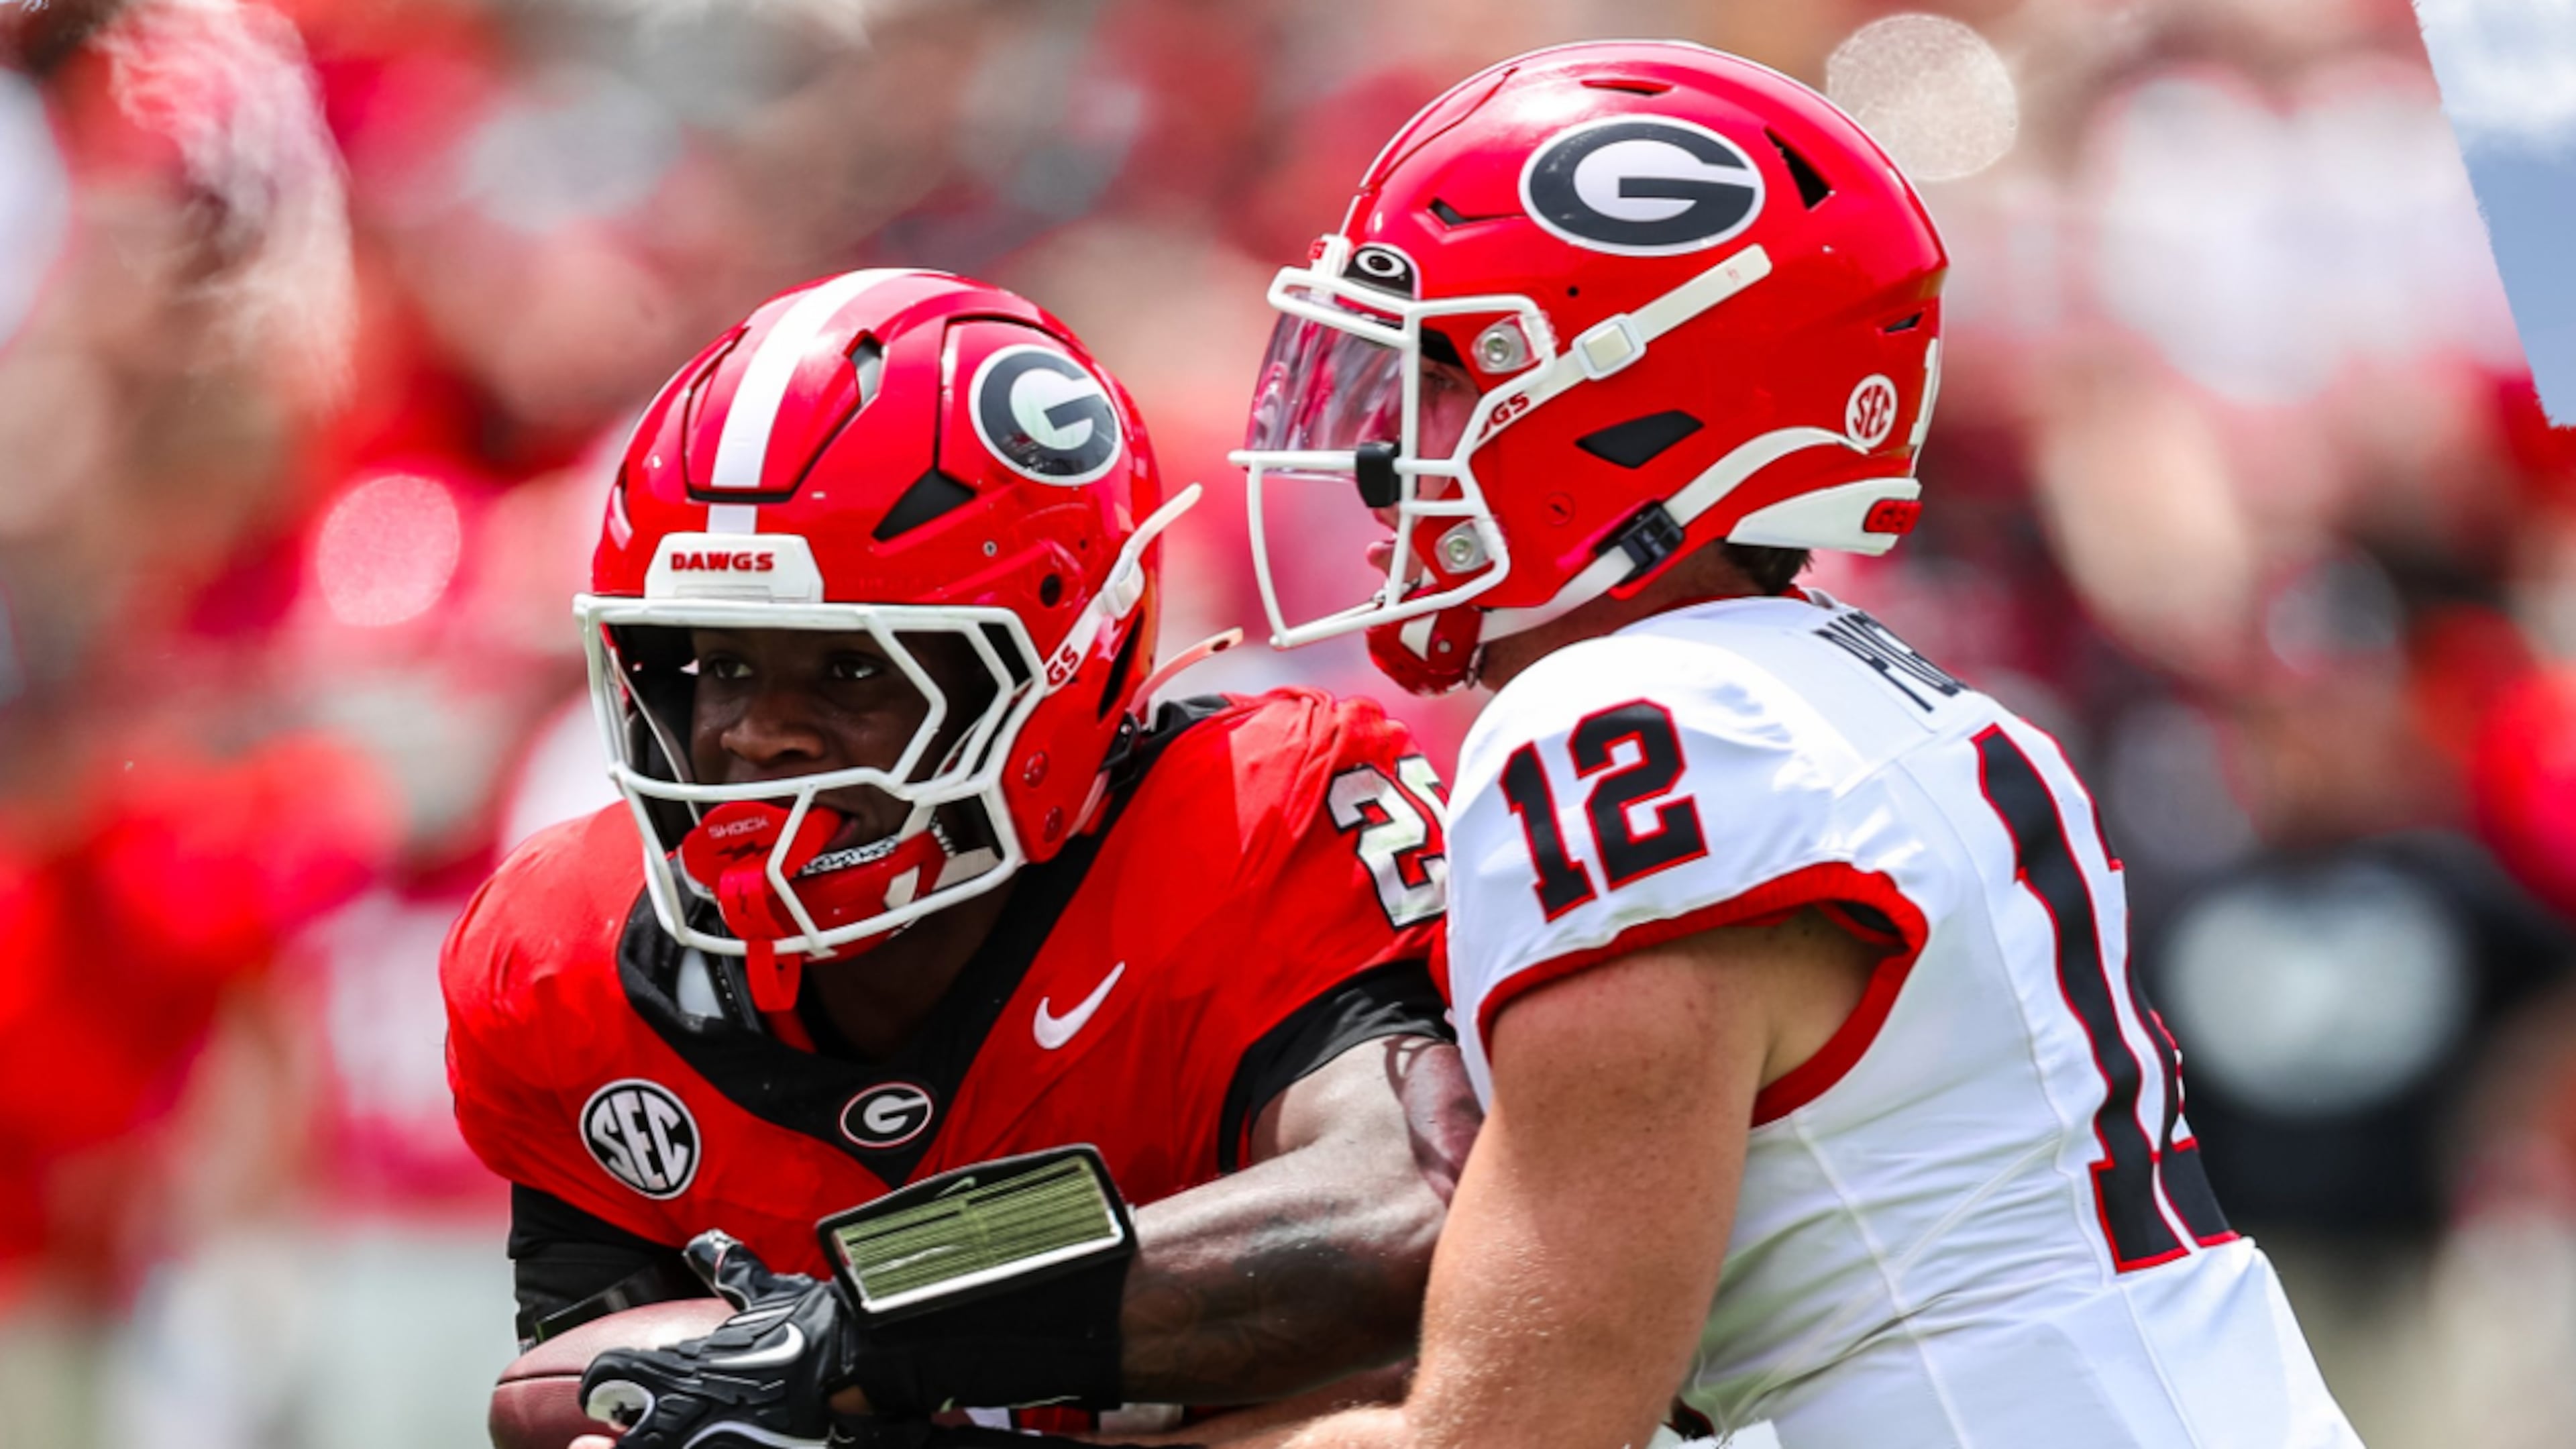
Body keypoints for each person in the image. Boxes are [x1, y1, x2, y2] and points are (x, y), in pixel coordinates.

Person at [1231, 41, 2364, 1449]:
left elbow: (1522, 1431)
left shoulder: (1626, 730)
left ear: (1619, 395)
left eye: (1444, 380)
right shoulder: (1839, 687)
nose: (1384, 457)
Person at [441, 270, 1476, 1447]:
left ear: (1059, 668)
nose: (749, 735)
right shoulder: (566, 960)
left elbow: (1417, 1207)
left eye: (851, 669)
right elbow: (598, 1396)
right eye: (720, 664)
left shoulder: (1250, 826)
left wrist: (860, 1324)